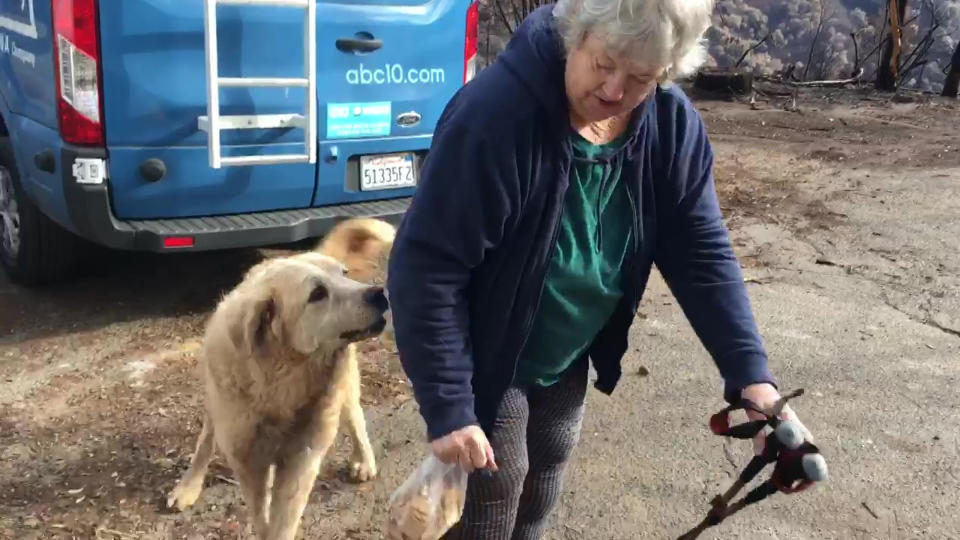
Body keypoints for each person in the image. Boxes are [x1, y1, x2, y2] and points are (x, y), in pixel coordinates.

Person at [386, 0, 815, 538]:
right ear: (576, 35)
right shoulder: (495, 119)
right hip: (489, 347)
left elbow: (701, 251)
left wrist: (754, 383)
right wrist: (449, 402)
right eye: (603, 63)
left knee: (545, 474)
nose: (614, 91)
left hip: (568, 346)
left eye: (639, 77)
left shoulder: (668, 124)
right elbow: (427, 266)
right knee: (496, 486)